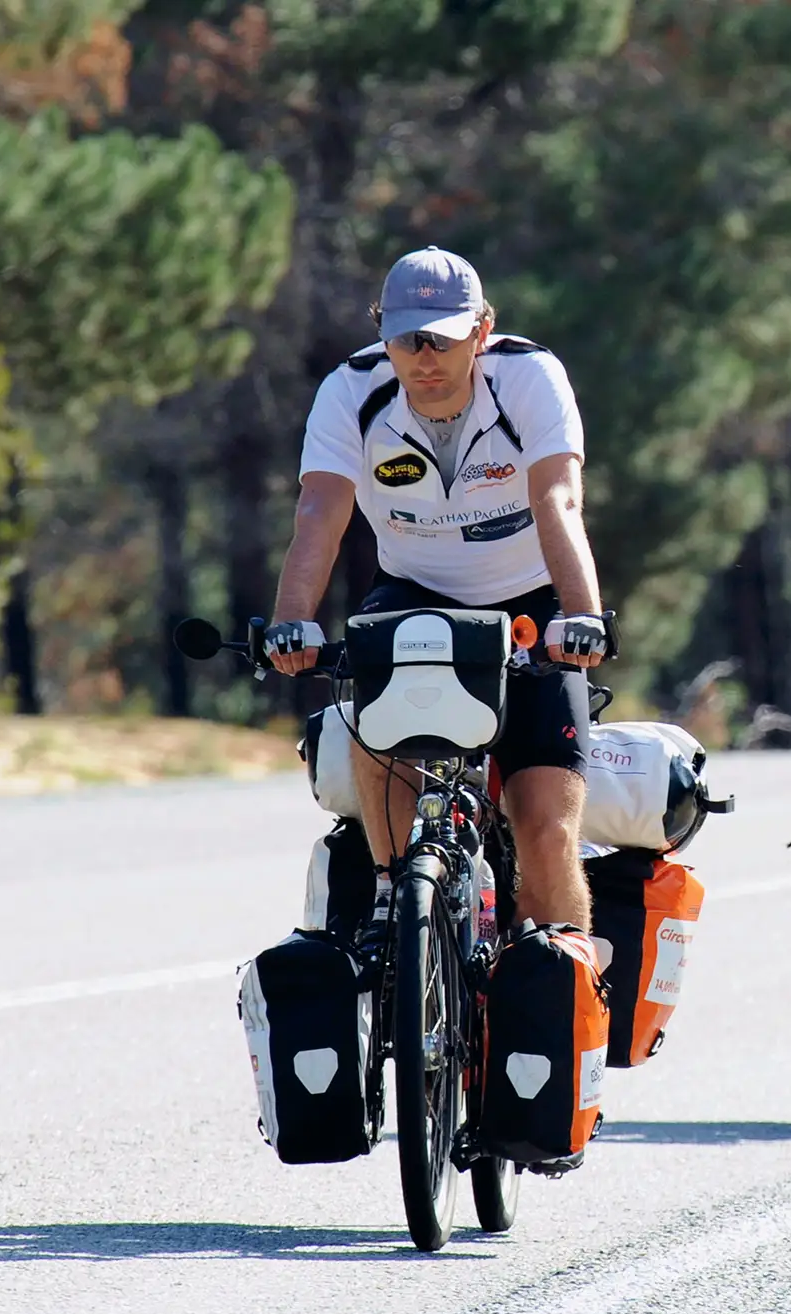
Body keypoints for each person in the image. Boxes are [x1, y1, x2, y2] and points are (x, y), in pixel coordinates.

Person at [267, 245, 608, 948]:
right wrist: (291, 621)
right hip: (414, 592)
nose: (423, 357)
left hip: (531, 605)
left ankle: (569, 1011)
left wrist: (581, 614)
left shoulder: (529, 378)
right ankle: (399, 901)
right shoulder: (351, 390)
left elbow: (558, 498)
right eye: (405, 338)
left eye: (442, 339)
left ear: (481, 331)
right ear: (381, 332)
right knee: (373, 705)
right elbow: (319, 515)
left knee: (546, 829)